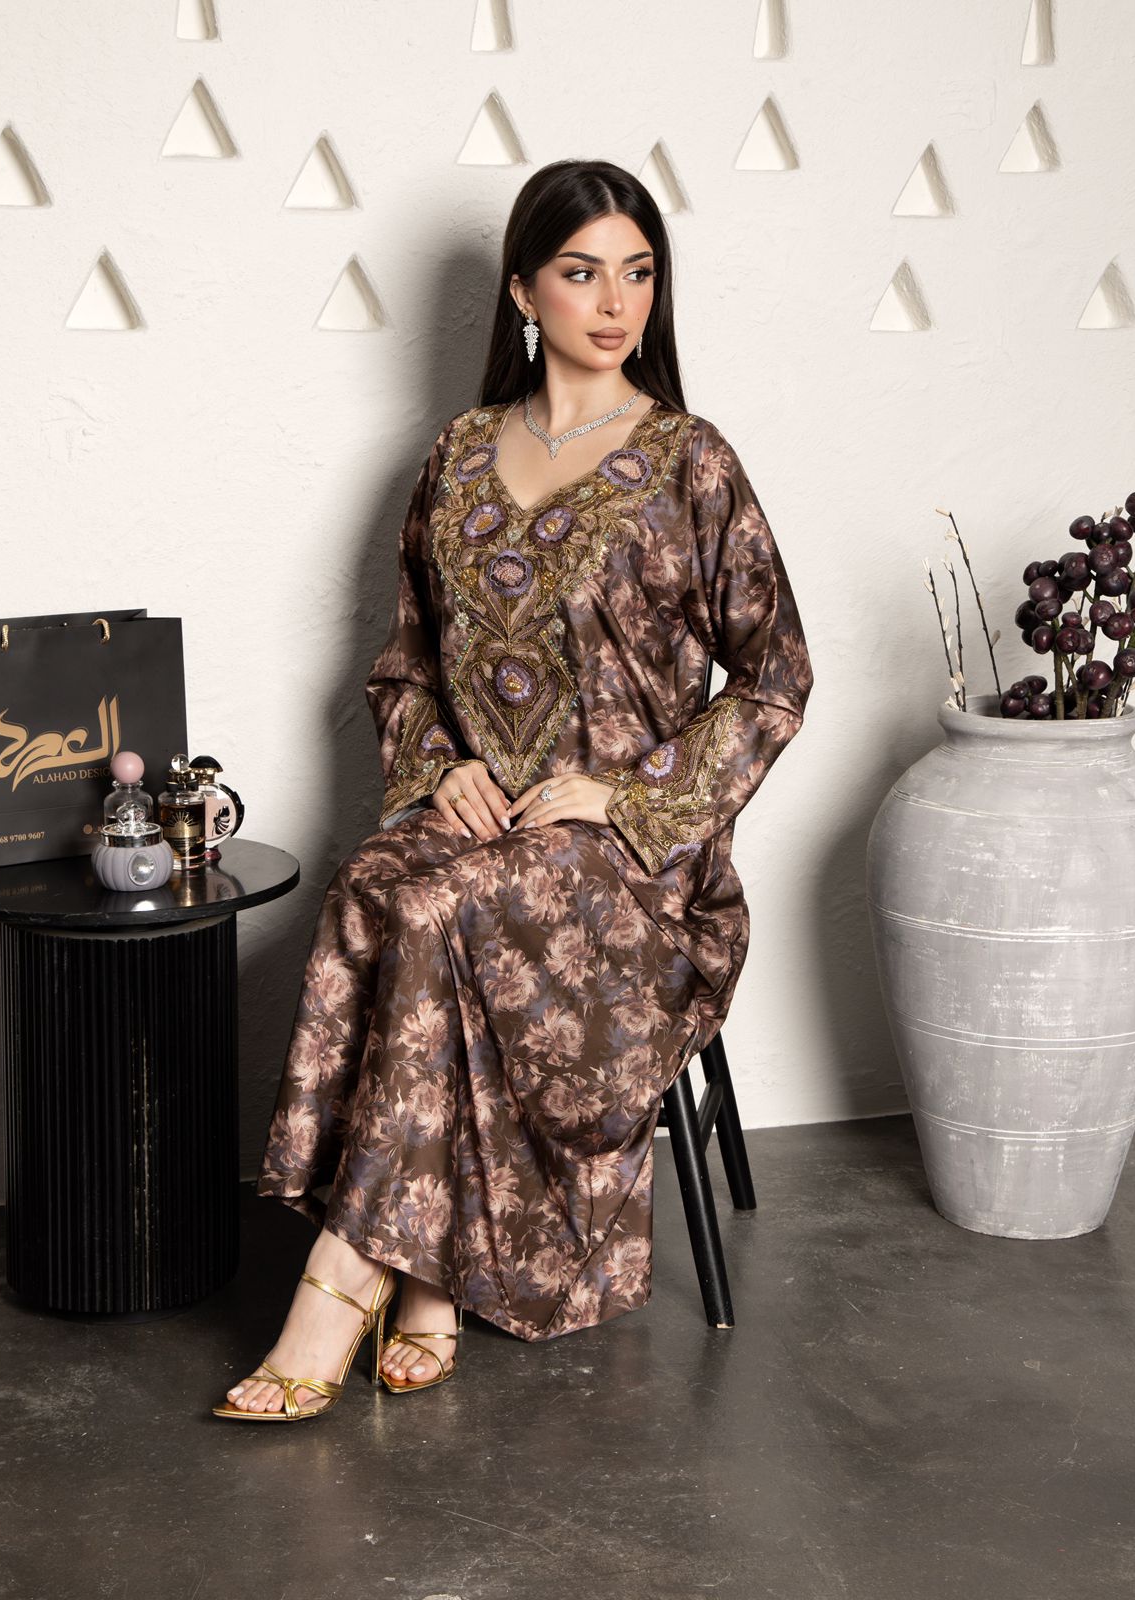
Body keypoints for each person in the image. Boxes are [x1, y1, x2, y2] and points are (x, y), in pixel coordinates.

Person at [213, 157, 813, 1420]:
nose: (616, 302)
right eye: (582, 272)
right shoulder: (458, 454)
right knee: (374, 885)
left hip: (635, 864)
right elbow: (402, 663)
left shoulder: (691, 460)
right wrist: (443, 769)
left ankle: (341, 1281)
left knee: (442, 911)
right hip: (478, 822)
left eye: (638, 272)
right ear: (524, 291)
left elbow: (776, 679)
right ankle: (427, 1274)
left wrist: (627, 792)